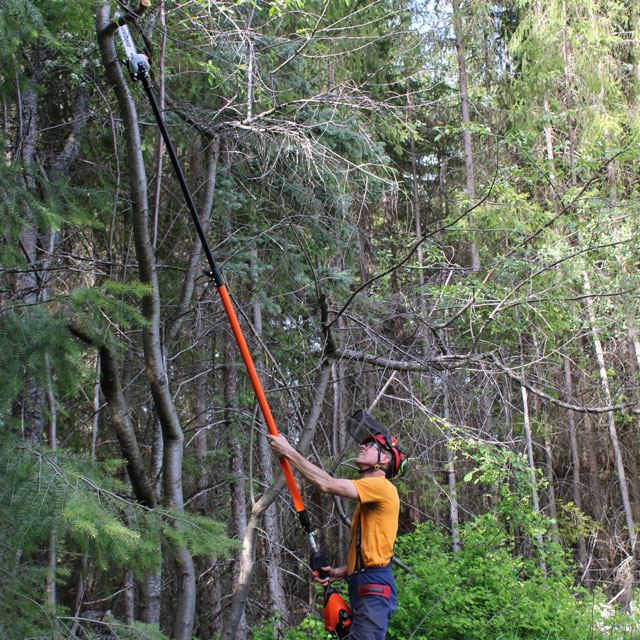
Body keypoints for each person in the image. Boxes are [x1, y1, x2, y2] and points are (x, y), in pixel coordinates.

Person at [267, 417, 406, 640]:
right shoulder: (370, 495)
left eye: (370, 445)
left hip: (374, 587)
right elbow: (372, 551)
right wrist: (338, 573)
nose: (362, 446)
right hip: (364, 584)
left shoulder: (382, 487)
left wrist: (288, 452)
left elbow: (326, 484)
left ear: (386, 458)